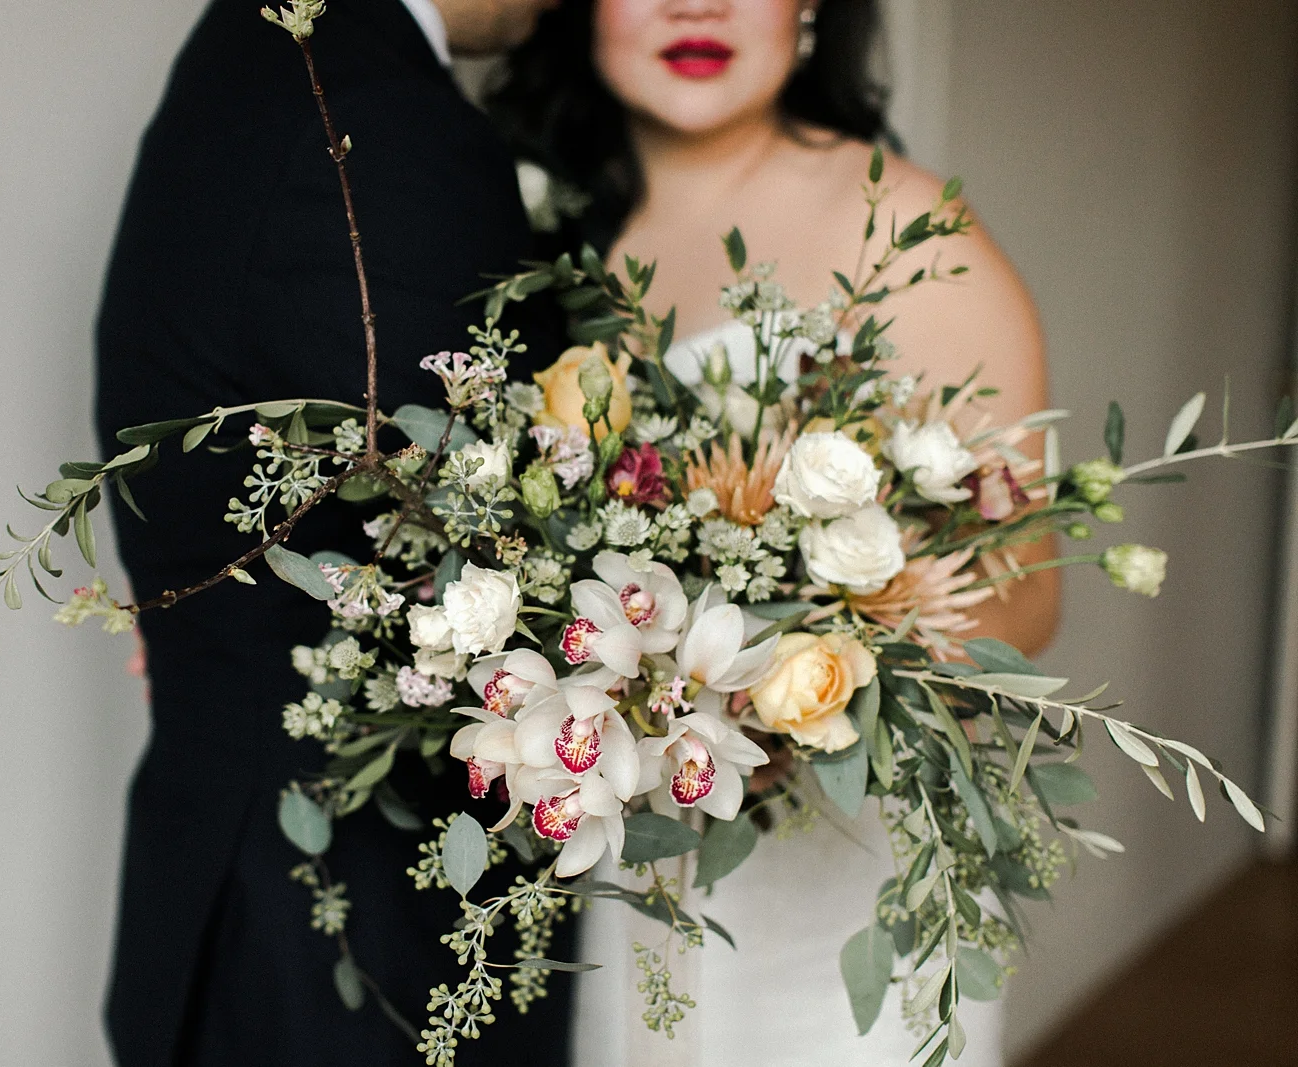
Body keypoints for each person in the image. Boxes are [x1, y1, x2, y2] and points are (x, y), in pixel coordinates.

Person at [487, 0, 1059, 1063]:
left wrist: (792, 690)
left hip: (840, 884)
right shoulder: (534, 232)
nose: (694, 4)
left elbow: (1026, 592)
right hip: (630, 869)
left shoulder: (903, 229)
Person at [94, 0, 565, 1064]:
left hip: (236, 875)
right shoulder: (383, 111)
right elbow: (482, 535)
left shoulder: (252, 52)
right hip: (340, 931)